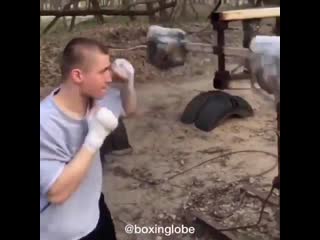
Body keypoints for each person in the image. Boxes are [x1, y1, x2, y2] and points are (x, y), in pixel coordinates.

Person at [40, 37, 137, 240]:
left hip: (95, 211)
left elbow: (129, 108)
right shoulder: (45, 123)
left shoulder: (96, 99)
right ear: (78, 75)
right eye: (103, 71)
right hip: (64, 233)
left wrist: (128, 82)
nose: (110, 78)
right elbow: (56, 193)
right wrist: (95, 138)